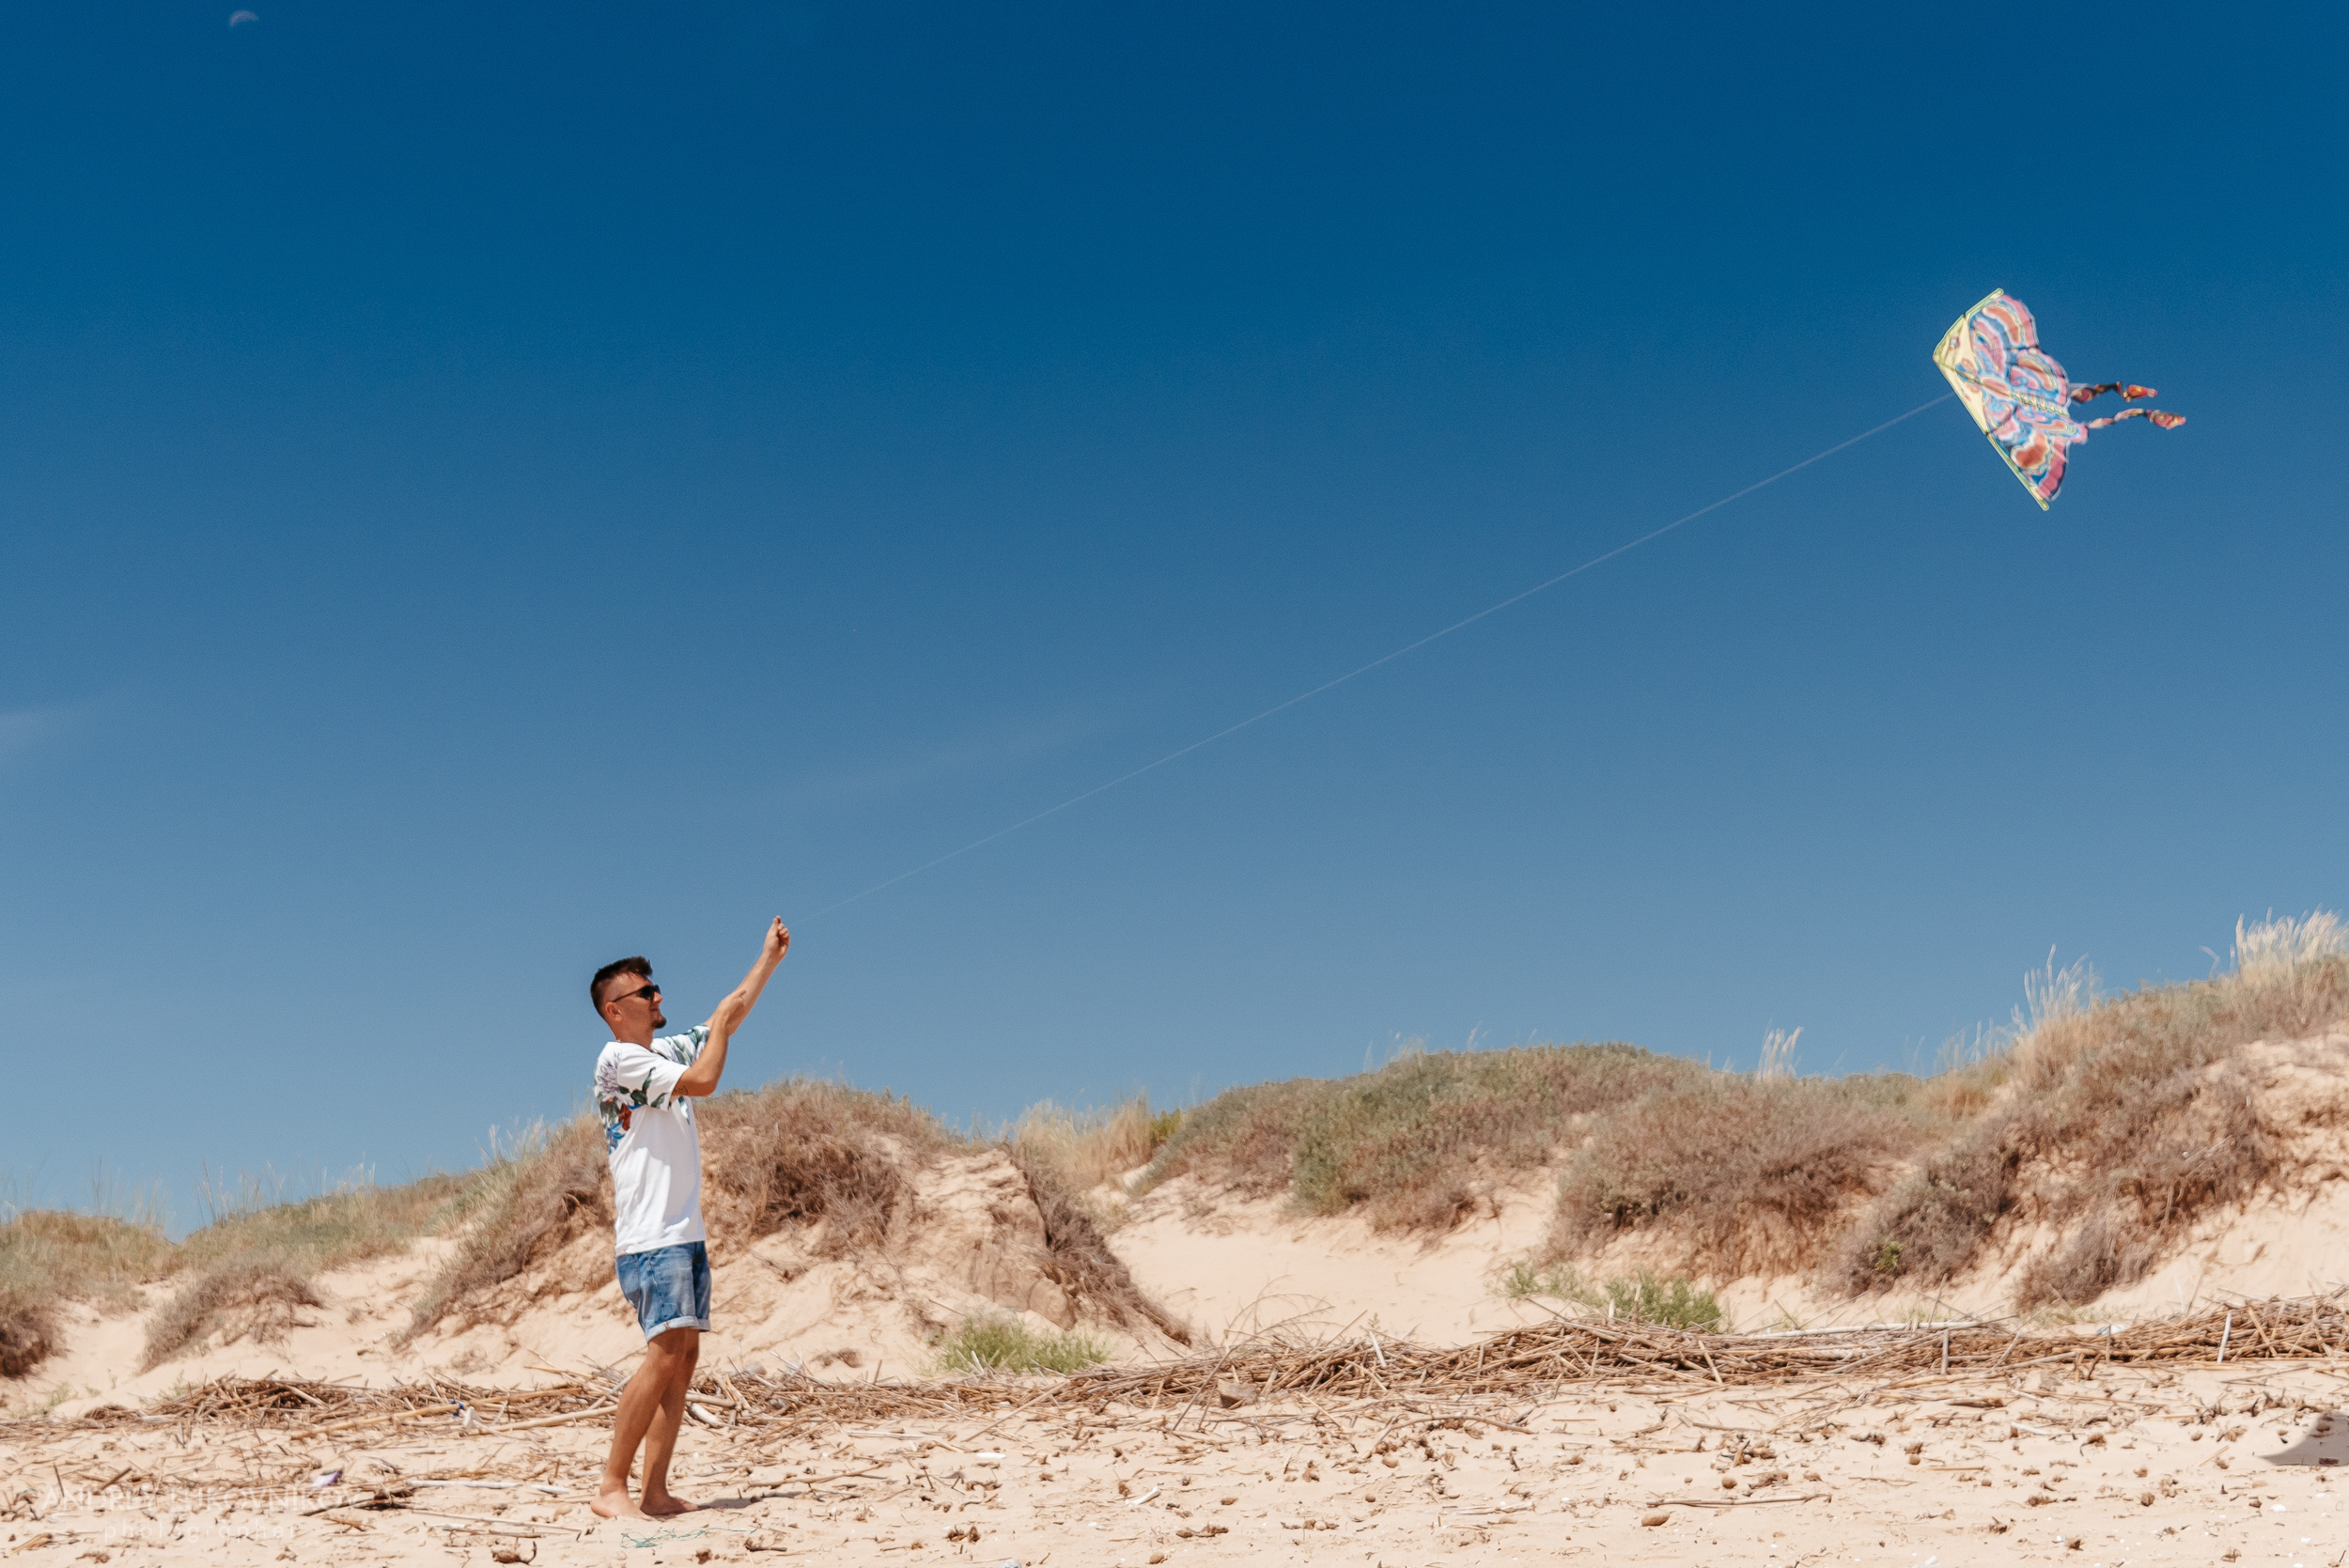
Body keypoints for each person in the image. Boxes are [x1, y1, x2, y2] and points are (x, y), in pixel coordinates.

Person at [585, 916, 790, 1520]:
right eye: (646, 993)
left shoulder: (659, 1051)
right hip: (652, 1238)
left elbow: (729, 1011)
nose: (658, 998)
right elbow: (704, 1079)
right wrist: (722, 1029)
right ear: (615, 1010)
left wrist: (767, 960)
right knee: (663, 1355)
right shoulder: (619, 1061)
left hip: (684, 1233)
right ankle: (610, 1487)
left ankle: (653, 1491)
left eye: (656, 989)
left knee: (683, 1357)